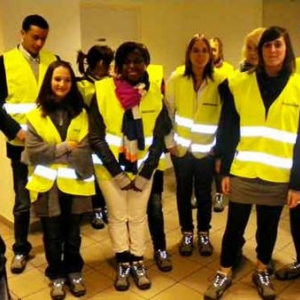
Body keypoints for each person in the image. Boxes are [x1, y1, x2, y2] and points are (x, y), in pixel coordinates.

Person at [204, 26, 300, 300]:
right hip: (243, 170)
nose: (272, 51)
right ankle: (224, 272)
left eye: (277, 45)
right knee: (234, 226)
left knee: (267, 229)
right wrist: (222, 168)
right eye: (266, 46)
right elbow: (229, 128)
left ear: (287, 49)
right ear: (259, 51)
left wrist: (297, 183)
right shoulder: (241, 83)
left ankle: (262, 270)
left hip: (278, 174)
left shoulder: (298, 86)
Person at [89, 41, 172, 291]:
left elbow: (160, 137)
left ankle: (138, 261)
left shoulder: (155, 93)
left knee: (137, 218)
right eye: (126, 61)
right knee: (117, 217)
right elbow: (95, 137)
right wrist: (118, 174)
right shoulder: (103, 90)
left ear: (146, 63)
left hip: (143, 171)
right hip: (110, 172)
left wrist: (146, 173)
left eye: (137, 61)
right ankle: (123, 262)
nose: (132, 66)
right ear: (119, 65)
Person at [22, 60, 94, 300]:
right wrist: (64, 147)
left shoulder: (82, 114)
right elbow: (33, 152)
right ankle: (56, 276)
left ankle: (74, 271)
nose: (62, 84)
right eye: (57, 79)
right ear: (49, 82)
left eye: (66, 80)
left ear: (72, 83)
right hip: (47, 187)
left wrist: (51, 152)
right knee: (52, 236)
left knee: (73, 235)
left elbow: (84, 151)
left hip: (75, 184)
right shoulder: (35, 115)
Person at [0, 14, 58, 274]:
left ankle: (53, 251)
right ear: (22, 33)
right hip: (19, 145)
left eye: (43, 39)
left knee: (47, 200)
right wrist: (16, 131)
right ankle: (21, 250)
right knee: (23, 202)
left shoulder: (52, 61)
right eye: (35, 37)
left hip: (47, 146)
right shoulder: (5, 62)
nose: (39, 43)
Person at [165, 34, 224, 257]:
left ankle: (204, 234)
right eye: (195, 51)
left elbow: (223, 119)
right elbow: (167, 114)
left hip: (206, 151)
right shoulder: (177, 78)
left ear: (210, 55)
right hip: (180, 151)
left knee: (204, 193)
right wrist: (169, 143)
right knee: (183, 192)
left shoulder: (219, 81)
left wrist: (217, 150)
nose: (200, 55)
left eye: (204, 51)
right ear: (188, 55)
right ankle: (187, 232)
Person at [76, 45, 114, 229]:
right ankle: (97, 209)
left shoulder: (111, 83)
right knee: (94, 175)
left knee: (106, 173)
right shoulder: (82, 85)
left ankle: (106, 206)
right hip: (88, 137)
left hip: (107, 136)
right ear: (99, 63)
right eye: (107, 63)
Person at [209, 37, 234, 213]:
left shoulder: (229, 71)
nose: (211, 53)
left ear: (220, 51)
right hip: (204, 124)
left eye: (214, 49)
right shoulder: (201, 70)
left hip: (221, 123)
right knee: (202, 161)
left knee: (219, 162)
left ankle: (219, 195)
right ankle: (197, 193)